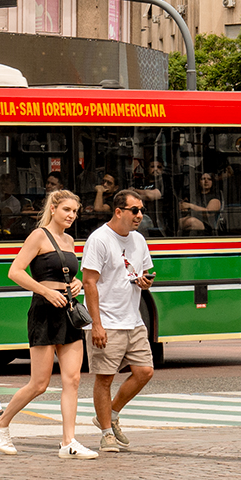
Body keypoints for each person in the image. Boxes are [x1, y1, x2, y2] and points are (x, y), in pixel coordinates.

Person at [0, 189, 96, 459]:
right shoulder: (38, 236)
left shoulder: (70, 240)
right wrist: (46, 291)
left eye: (75, 212)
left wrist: (77, 282)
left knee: (72, 380)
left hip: (68, 310)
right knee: (39, 383)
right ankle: (0, 423)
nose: (71, 215)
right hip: (44, 310)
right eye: (67, 210)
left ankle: (68, 442)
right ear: (53, 209)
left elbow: (71, 274)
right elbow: (15, 271)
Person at [83, 190, 157, 451]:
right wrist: (97, 324)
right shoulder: (99, 240)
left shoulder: (138, 240)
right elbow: (89, 283)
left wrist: (144, 281)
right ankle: (106, 434)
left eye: (141, 210)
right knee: (104, 378)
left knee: (145, 371)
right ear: (118, 211)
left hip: (133, 319)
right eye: (134, 210)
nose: (140, 215)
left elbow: (140, 273)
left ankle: (110, 414)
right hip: (108, 321)